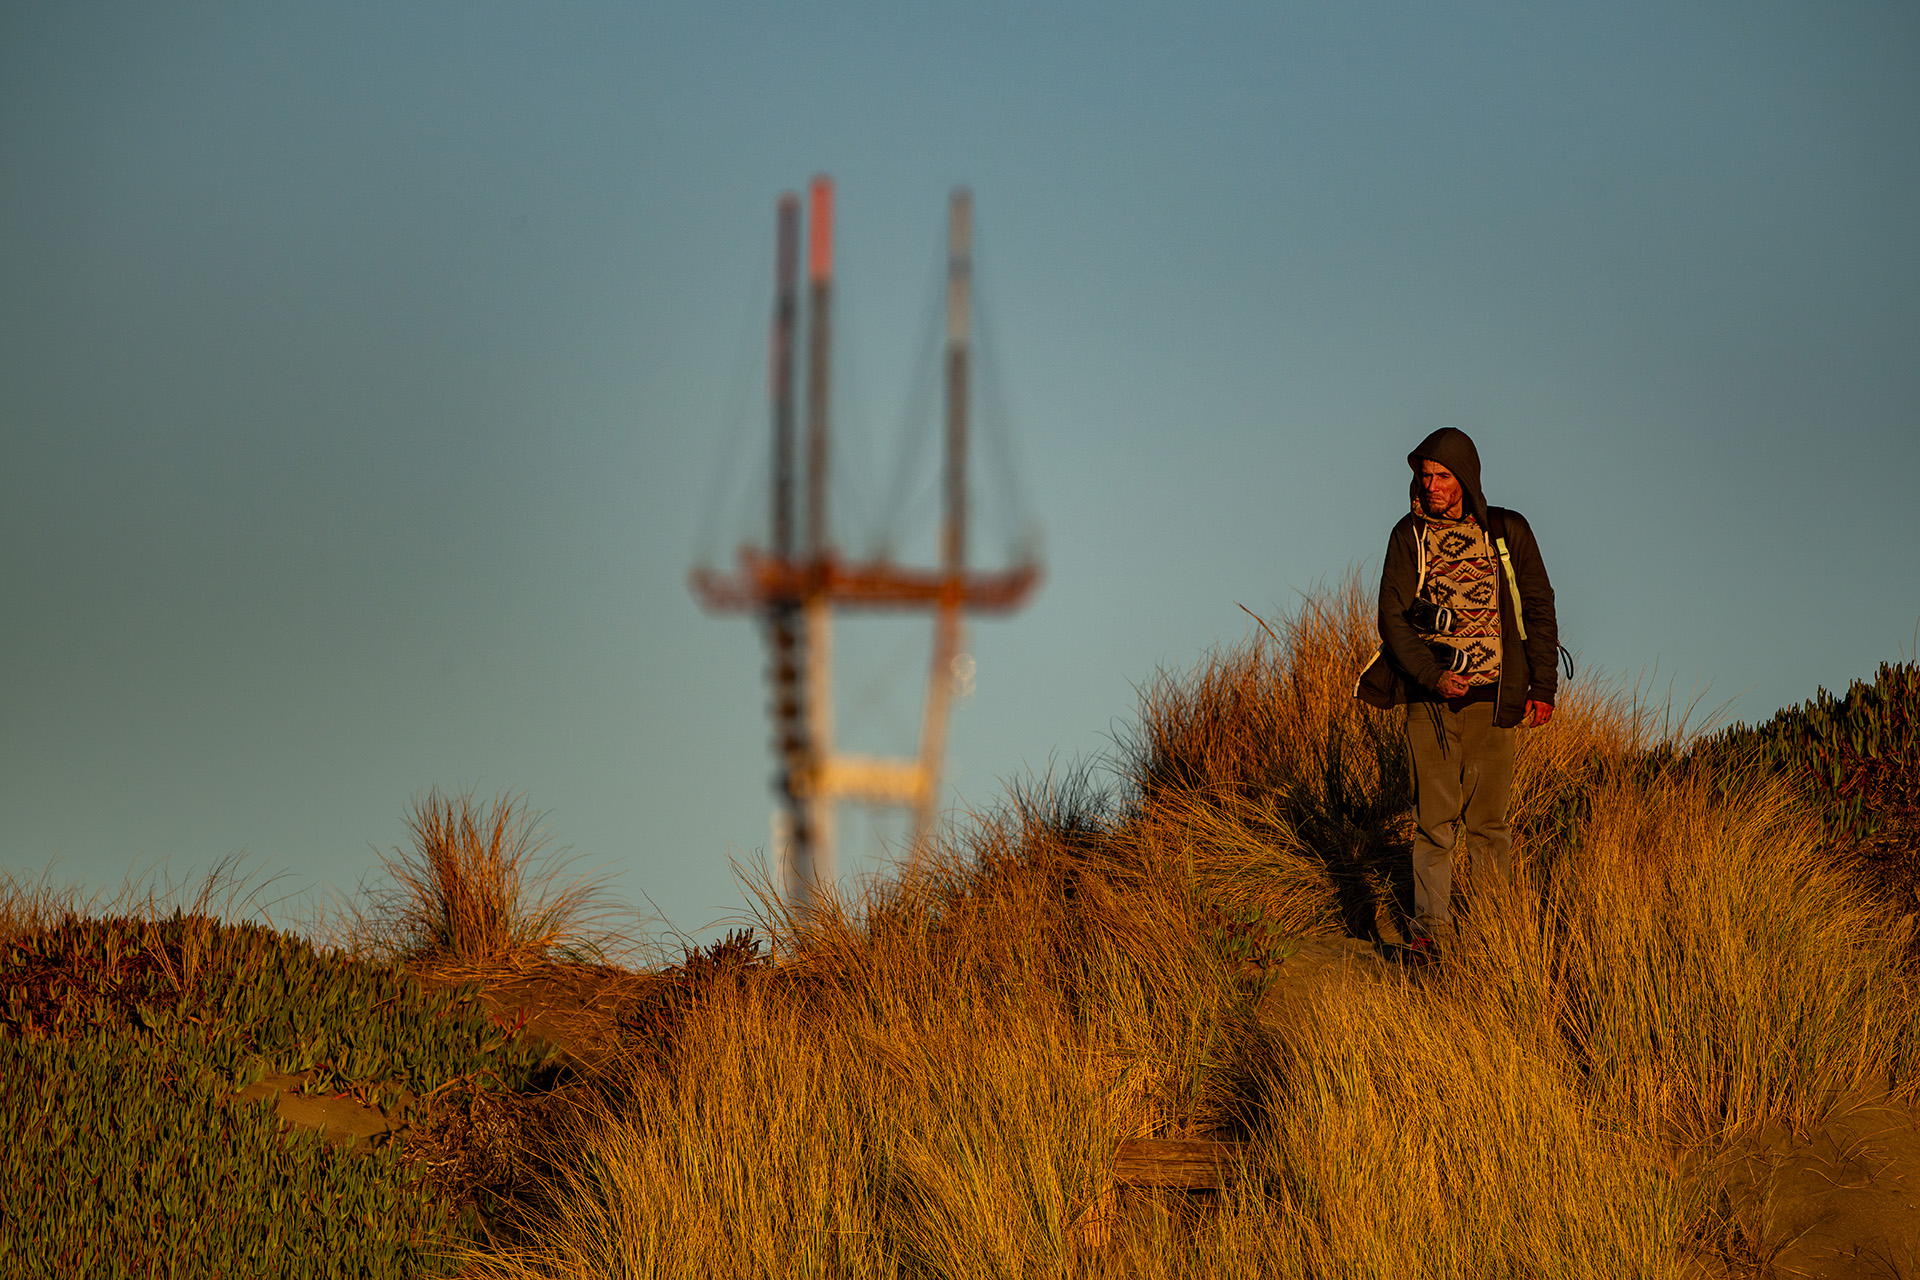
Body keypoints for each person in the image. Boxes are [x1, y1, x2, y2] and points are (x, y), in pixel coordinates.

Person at [1355, 426, 1559, 962]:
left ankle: (1493, 936)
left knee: (1490, 824)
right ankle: (1430, 936)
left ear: (1465, 476)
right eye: (1424, 476)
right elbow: (1391, 619)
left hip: (1497, 699)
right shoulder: (1407, 536)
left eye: (1442, 475)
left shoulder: (1506, 531)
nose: (1431, 485)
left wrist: (1543, 686)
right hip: (1431, 701)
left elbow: (1537, 606)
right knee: (1434, 822)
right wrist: (1433, 675)